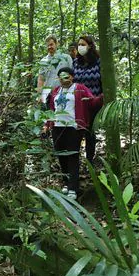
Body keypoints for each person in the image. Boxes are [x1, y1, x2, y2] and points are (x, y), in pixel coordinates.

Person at [44, 67, 103, 198]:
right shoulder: (55, 91)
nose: (63, 79)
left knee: (72, 155)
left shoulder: (80, 88)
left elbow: (93, 102)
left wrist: (104, 96)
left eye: (66, 76)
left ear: (72, 77)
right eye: (61, 77)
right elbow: (51, 109)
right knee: (61, 155)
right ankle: (66, 182)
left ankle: (73, 188)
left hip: (74, 127)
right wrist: (47, 125)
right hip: (57, 126)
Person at [73, 35, 103, 162]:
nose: (80, 47)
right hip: (77, 104)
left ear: (90, 46)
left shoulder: (99, 62)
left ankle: (90, 160)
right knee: (76, 132)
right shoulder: (75, 63)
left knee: (90, 132)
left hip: (93, 103)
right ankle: (75, 161)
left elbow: (104, 82)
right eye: (79, 44)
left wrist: (101, 99)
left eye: (83, 44)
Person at [37, 35, 73, 104]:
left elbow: (71, 75)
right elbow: (41, 79)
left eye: (51, 44)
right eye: (47, 45)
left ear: (56, 44)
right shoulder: (43, 61)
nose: (49, 47)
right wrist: (39, 95)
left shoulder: (66, 58)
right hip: (47, 95)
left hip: (63, 93)